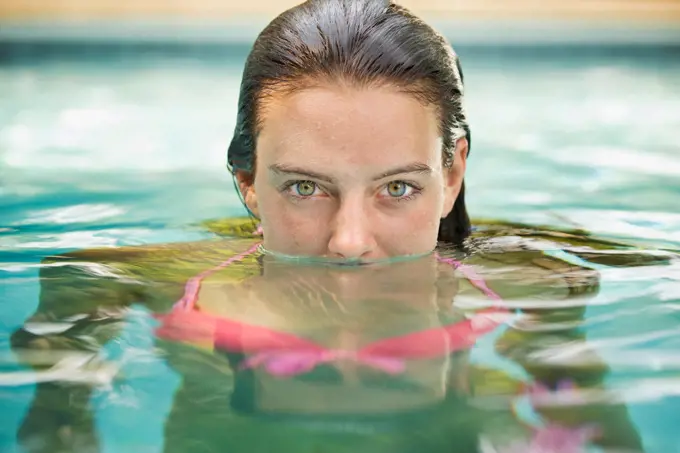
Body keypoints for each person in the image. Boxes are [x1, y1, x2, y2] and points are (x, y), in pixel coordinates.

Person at [9, 1, 658, 452]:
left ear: (452, 173)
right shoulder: (149, 281)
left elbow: (593, 423)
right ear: (248, 184)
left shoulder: (536, 285)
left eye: (397, 188)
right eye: (304, 187)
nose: (349, 241)